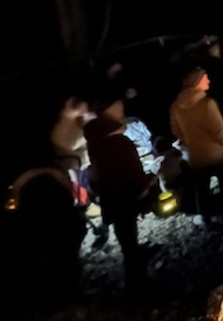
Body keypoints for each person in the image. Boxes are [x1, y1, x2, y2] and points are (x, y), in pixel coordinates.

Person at [85, 90, 158, 294]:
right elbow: (132, 173)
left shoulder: (96, 141)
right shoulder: (117, 142)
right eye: (118, 107)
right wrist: (146, 187)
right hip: (126, 199)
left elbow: (96, 175)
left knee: (126, 238)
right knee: (128, 242)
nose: (122, 110)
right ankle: (137, 286)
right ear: (108, 111)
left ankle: (135, 275)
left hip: (113, 200)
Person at [170, 67, 223, 226]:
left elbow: (176, 131)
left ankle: (205, 217)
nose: (208, 80)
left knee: (201, 188)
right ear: (197, 82)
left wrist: (191, 142)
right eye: (205, 77)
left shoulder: (176, 106)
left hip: (196, 155)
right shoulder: (207, 104)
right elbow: (218, 130)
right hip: (217, 154)